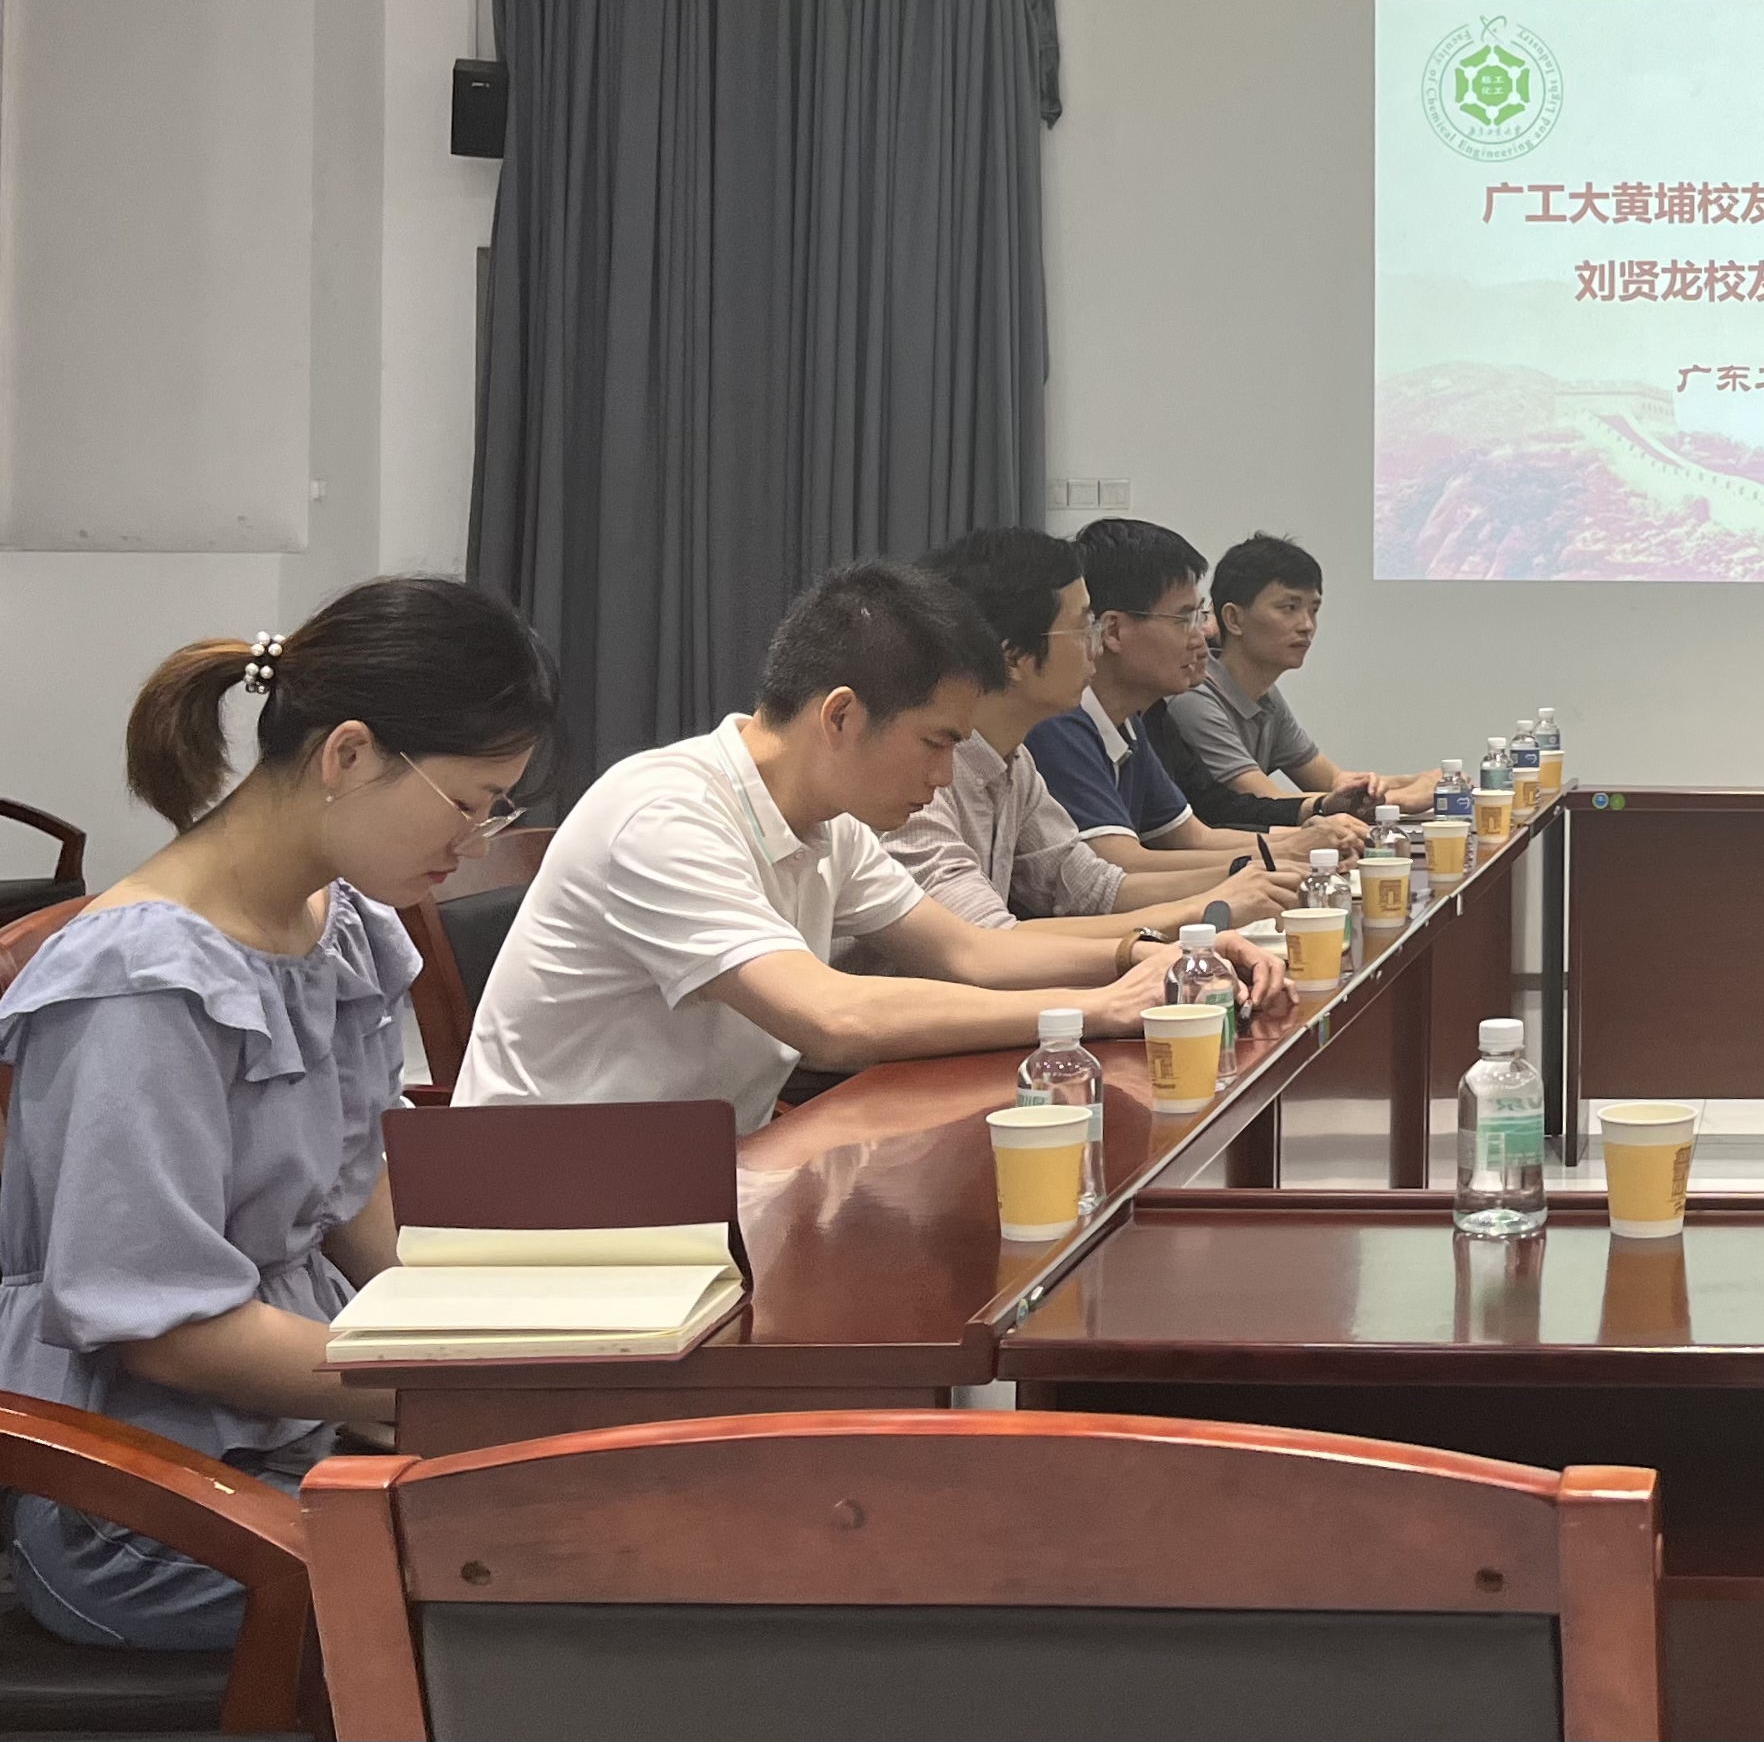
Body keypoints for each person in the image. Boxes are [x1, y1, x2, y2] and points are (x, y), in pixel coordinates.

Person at [0, 578, 557, 1650]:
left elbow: (351, 1194)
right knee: (553, 1566)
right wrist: (435, 1392)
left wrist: (494, 1341)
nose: (478, 839)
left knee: (607, 1500)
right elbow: (161, 1327)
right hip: (141, 1497)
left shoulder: (332, 921)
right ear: (349, 753)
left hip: (291, 1424)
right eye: (470, 801)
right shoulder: (140, 985)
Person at [459, 564, 1275, 1133]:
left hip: (703, 1179)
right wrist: (1101, 1010)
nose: (946, 775)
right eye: (935, 742)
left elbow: (973, 952)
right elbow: (832, 1017)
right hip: (556, 1213)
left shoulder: (832, 824)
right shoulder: (664, 815)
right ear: (842, 715)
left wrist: (1158, 953)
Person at [890, 528, 1298, 941]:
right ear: (1013, 657)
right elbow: (987, 943)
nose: (1096, 647)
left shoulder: (1014, 761)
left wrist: (1248, 877)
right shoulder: (918, 776)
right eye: (1083, 628)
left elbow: (1092, 888)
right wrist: (1207, 905)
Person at [1023, 520, 1366, 873]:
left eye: (1200, 616)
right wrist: (1288, 852)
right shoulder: (1061, 724)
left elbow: (1194, 835)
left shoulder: (1131, 724)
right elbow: (1122, 864)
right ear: (1113, 630)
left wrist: (1307, 841)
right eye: (1183, 619)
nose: (1203, 634)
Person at [1157, 532, 1441, 818]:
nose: (1307, 625)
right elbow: (1268, 803)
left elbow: (1334, 782)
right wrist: (1404, 799)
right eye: (1289, 608)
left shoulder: (1265, 696)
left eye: (1313, 610)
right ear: (1234, 619)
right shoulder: (1194, 695)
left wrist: (1420, 781)